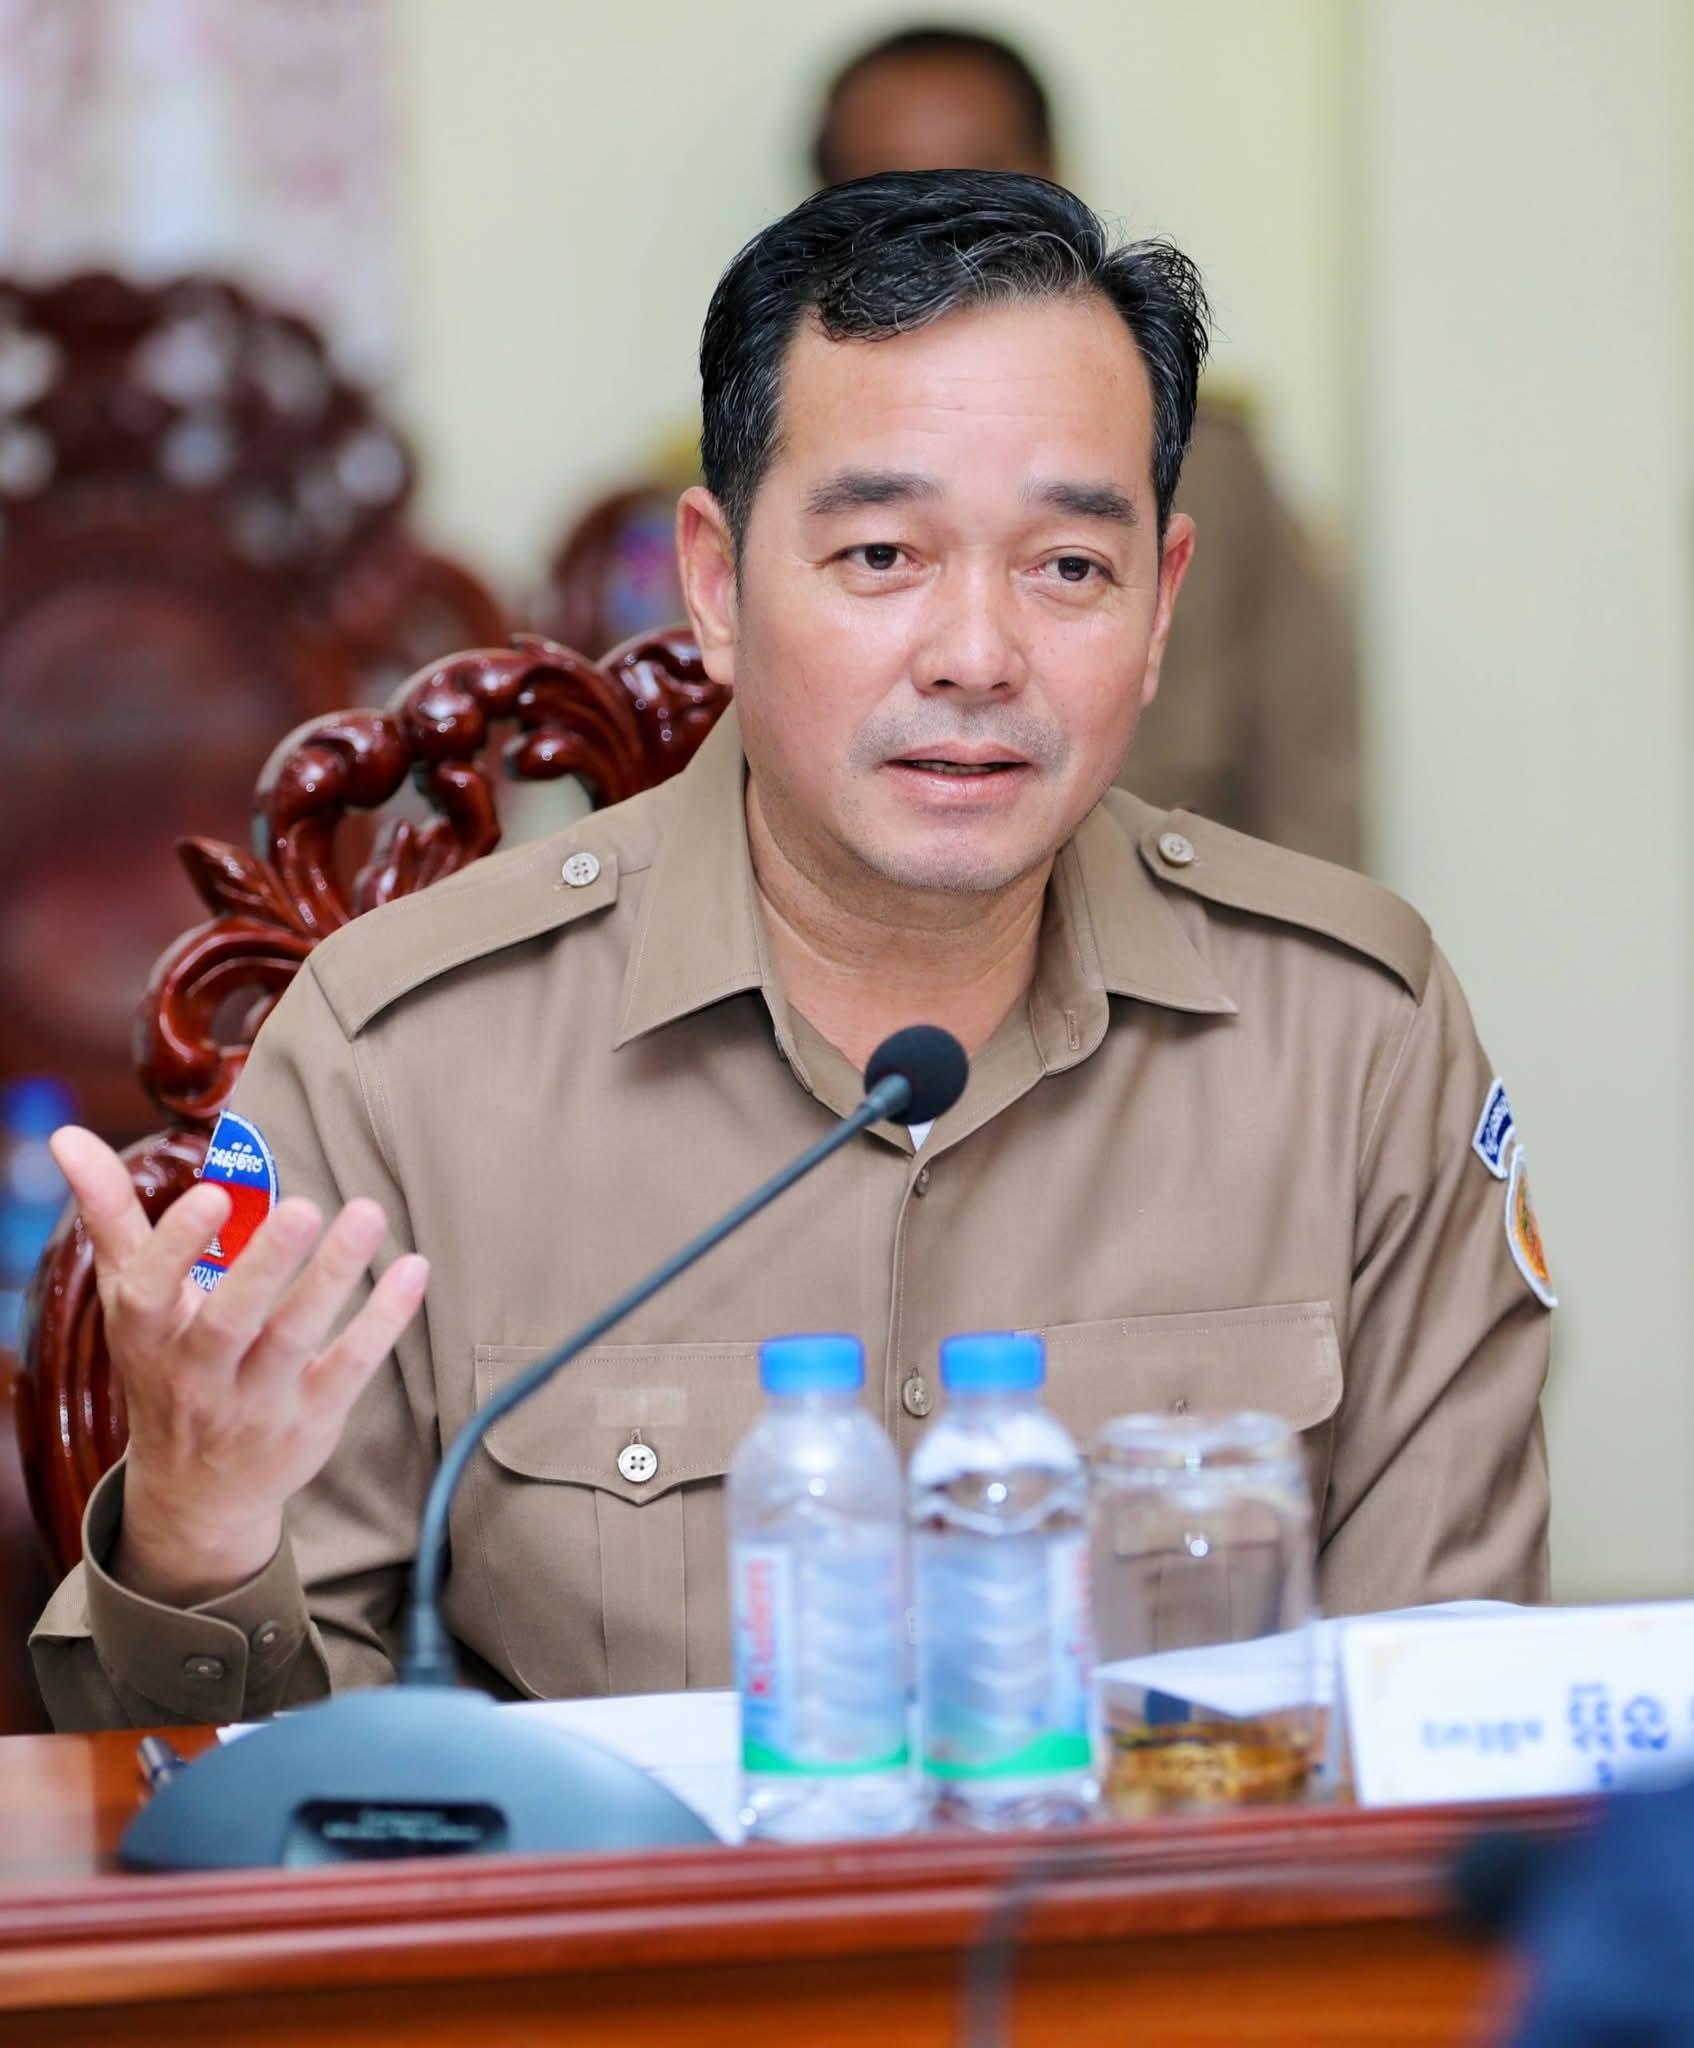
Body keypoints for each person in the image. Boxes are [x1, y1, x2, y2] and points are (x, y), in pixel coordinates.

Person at [31, 172, 1552, 1731]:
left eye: (1067, 567)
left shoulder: (1353, 1038)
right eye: (881, 555)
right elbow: (262, 1787)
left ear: (1158, 604)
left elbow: (1451, 1731)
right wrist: (199, 1535)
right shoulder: (401, 1057)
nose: (976, 657)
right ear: (716, 585)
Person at [813, 25, 1363, 867]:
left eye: (1072, 564)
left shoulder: (1204, 471)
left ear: (1055, 182)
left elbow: (1310, 785)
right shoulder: (755, 475)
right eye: (883, 189)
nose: (937, 230)